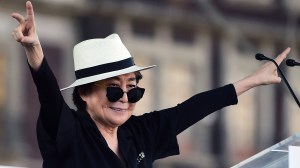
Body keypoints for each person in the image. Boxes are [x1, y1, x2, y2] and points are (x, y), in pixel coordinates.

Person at [11, 1, 291, 168]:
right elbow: (48, 95)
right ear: (84, 93)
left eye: (133, 89)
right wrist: (34, 49)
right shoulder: (68, 132)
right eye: (113, 88)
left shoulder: (139, 133)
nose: (124, 97)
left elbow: (190, 109)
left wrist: (251, 81)